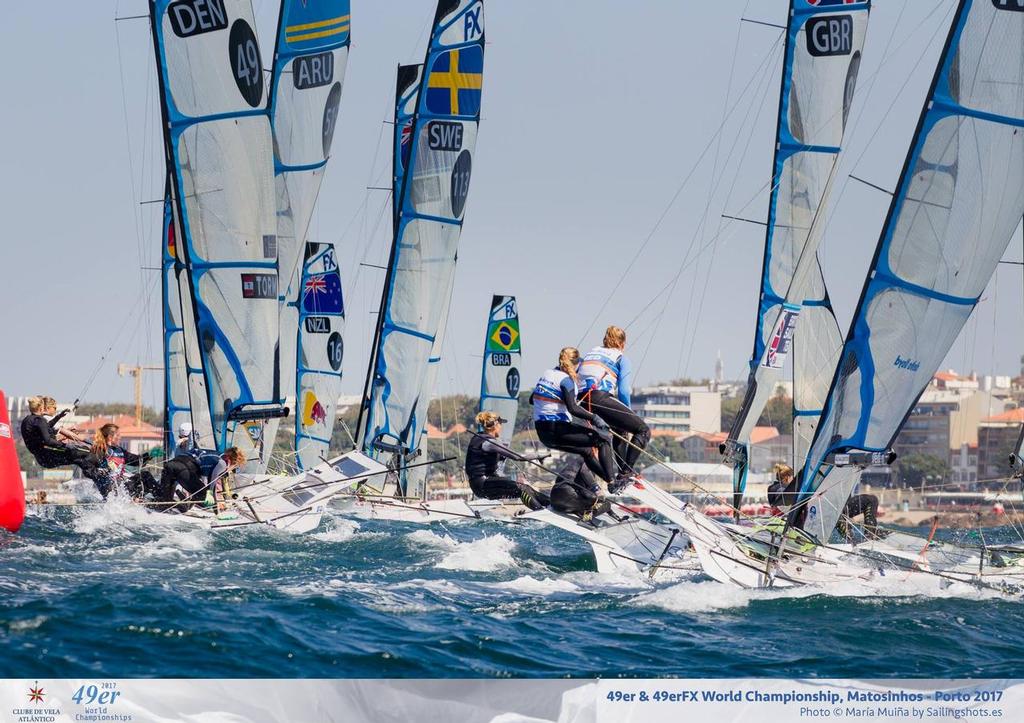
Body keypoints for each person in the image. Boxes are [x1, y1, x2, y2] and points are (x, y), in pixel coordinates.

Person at [531, 347, 617, 489]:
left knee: (587, 451)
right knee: (603, 439)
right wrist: (595, 418)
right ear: (575, 364)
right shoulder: (566, 381)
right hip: (557, 430)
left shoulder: (547, 374)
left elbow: (531, 399)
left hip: (543, 434)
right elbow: (573, 408)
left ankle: (610, 481)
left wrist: (554, 398)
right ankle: (613, 481)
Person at [577, 326, 650, 479]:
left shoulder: (592, 353)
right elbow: (623, 391)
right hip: (598, 397)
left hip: (581, 400)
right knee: (643, 430)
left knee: (620, 429)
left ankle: (623, 470)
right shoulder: (621, 358)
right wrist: (627, 413)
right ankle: (626, 472)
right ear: (622, 344)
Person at [465, 411, 548, 506]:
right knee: (522, 489)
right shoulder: (490, 442)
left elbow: (484, 459)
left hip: (480, 484)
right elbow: (517, 456)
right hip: (483, 483)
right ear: (495, 426)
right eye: (500, 425)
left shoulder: (478, 439)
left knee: (526, 489)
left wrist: (500, 457)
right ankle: (539, 510)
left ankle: (548, 504)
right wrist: (538, 456)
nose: (501, 428)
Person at [20, 396, 93, 471]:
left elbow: (46, 429)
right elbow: (47, 440)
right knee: (81, 452)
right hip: (48, 455)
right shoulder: (39, 420)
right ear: (41, 408)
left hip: (42, 459)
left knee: (78, 458)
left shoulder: (27, 420)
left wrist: (58, 417)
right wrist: (66, 445)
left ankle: (98, 476)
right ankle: (100, 476)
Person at [85, 423, 156, 499]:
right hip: (110, 487)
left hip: (122, 484)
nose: (120, 437)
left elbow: (136, 460)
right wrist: (100, 472)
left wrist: (149, 455)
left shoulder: (120, 450)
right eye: (118, 435)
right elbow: (87, 468)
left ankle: (160, 499)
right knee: (123, 484)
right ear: (110, 437)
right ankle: (136, 499)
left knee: (145, 475)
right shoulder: (100, 450)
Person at [548, 457, 611, 521]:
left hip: (554, 501)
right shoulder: (588, 461)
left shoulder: (574, 465)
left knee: (589, 500)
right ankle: (586, 518)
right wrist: (597, 490)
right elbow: (584, 472)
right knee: (603, 503)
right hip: (567, 495)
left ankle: (584, 514)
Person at [208, 447, 245, 512]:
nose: (235, 467)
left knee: (223, 484)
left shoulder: (223, 460)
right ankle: (219, 504)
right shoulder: (222, 464)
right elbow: (213, 484)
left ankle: (221, 502)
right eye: (236, 465)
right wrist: (218, 505)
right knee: (218, 485)